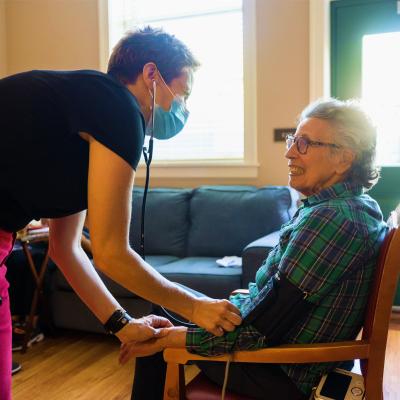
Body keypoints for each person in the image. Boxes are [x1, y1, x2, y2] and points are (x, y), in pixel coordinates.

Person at [0, 27, 241, 399]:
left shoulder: (87, 113)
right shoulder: (118, 107)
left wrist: (122, 325)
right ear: (151, 75)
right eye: (183, 92)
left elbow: (66, 249)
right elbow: (112, 252)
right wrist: (196, 307)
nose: (183, 107)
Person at [121, 98, 388, 400]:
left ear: (344, 159)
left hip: (282, 372)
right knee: (168, 305)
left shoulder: (332, 220)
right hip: (281, 351)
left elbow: (261, 330)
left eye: (304, 144)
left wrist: (172, 338)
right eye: (292, 140)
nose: (289, 152)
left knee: (159, 338)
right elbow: (272, 308)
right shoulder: (346, 208)